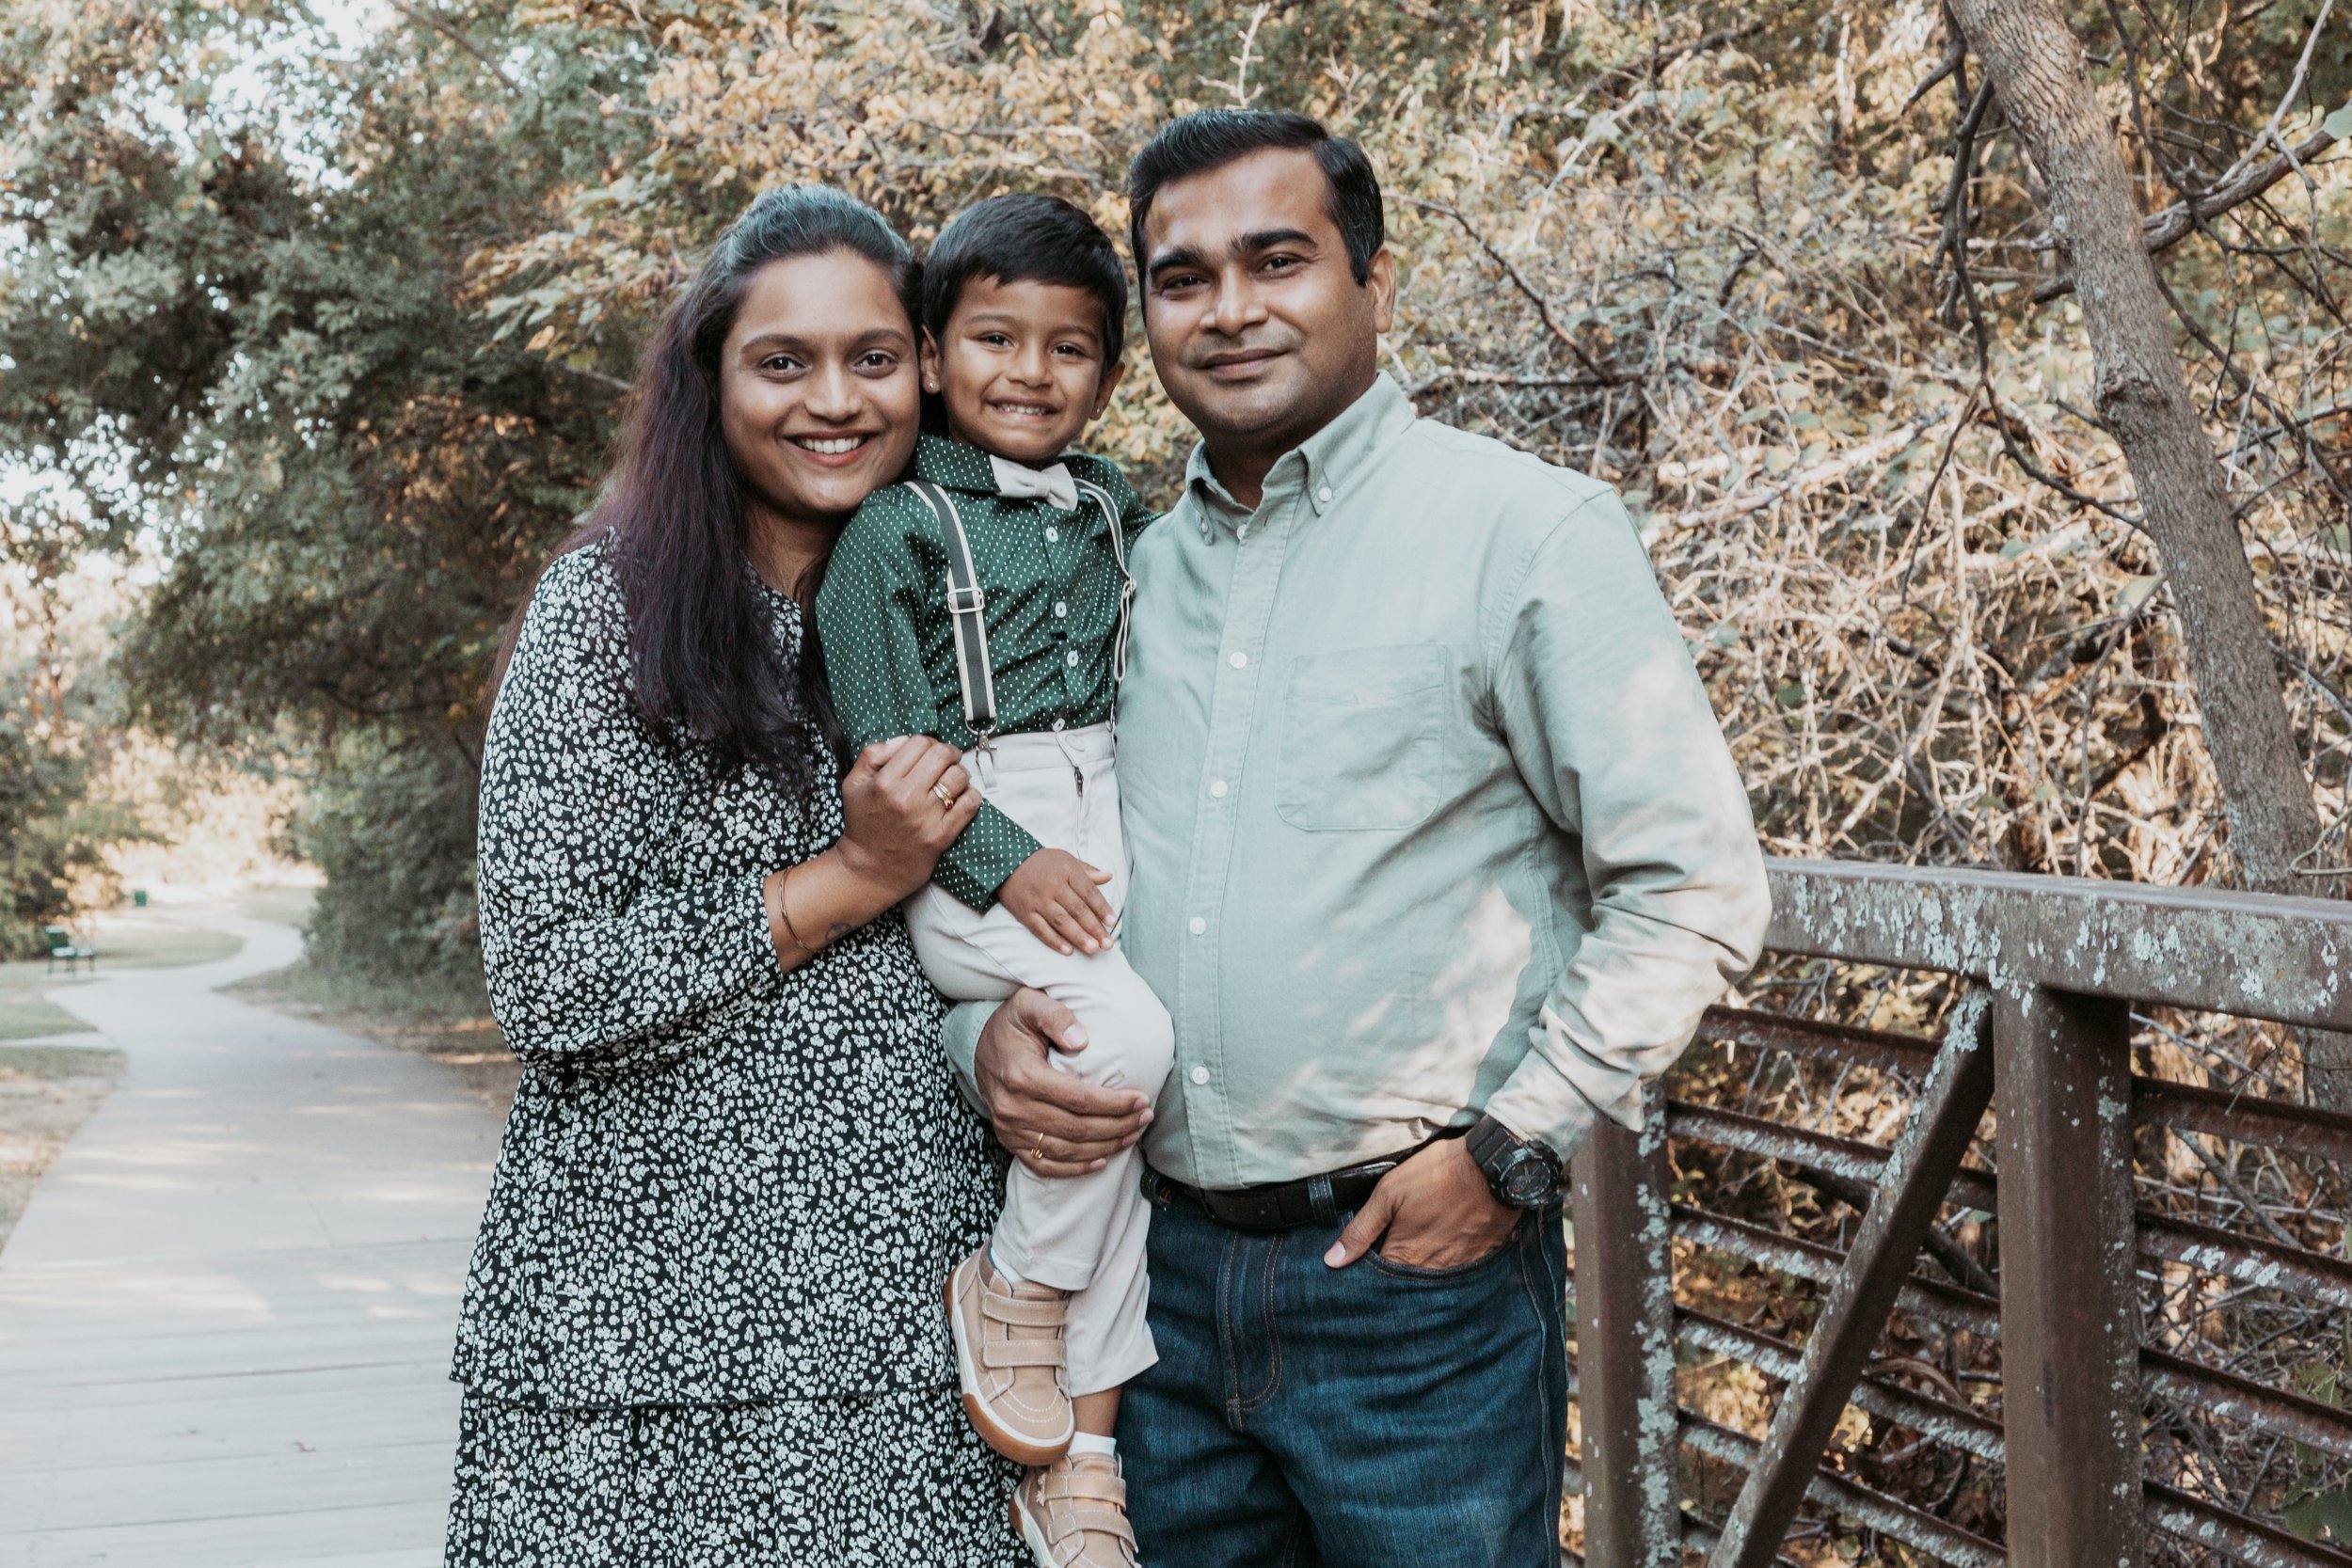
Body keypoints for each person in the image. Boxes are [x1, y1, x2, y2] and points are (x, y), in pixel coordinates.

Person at [951, 111, 1773, 1567]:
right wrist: (988, 1042)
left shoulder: (1526, 532)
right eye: (1184, 277)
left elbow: (1691, 888)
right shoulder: (1125, 569)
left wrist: (1510, 1153)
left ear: (1376, 283)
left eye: (1279, 260)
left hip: (1416, 1283)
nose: (1232, 308)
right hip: (1149, 1277)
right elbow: (1038, 853)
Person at [446, 186, 1024, 1566]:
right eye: (784, 361)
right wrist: (850, 874)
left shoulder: (981, 617)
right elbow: (547, 976)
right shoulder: (612, 610)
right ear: (712, 376)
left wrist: (1012, 1031)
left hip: (905, 1325)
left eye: (872, 358)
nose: (835, 399)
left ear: (928, 374)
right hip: (634, 1343)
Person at [816, 192, 1168, 1568]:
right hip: (985, 832)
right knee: (1126, 1043)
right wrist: (1004, 865)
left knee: (1125, 1119)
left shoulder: (1110, 503)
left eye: (1068, 349)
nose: (1030, 374)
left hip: (1103, 811)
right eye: (995, 340)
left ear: (1107, 372)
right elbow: (894, 744)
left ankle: (1081, 1462)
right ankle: (1012, 1287)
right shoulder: (894, 533)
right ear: (933, 350)